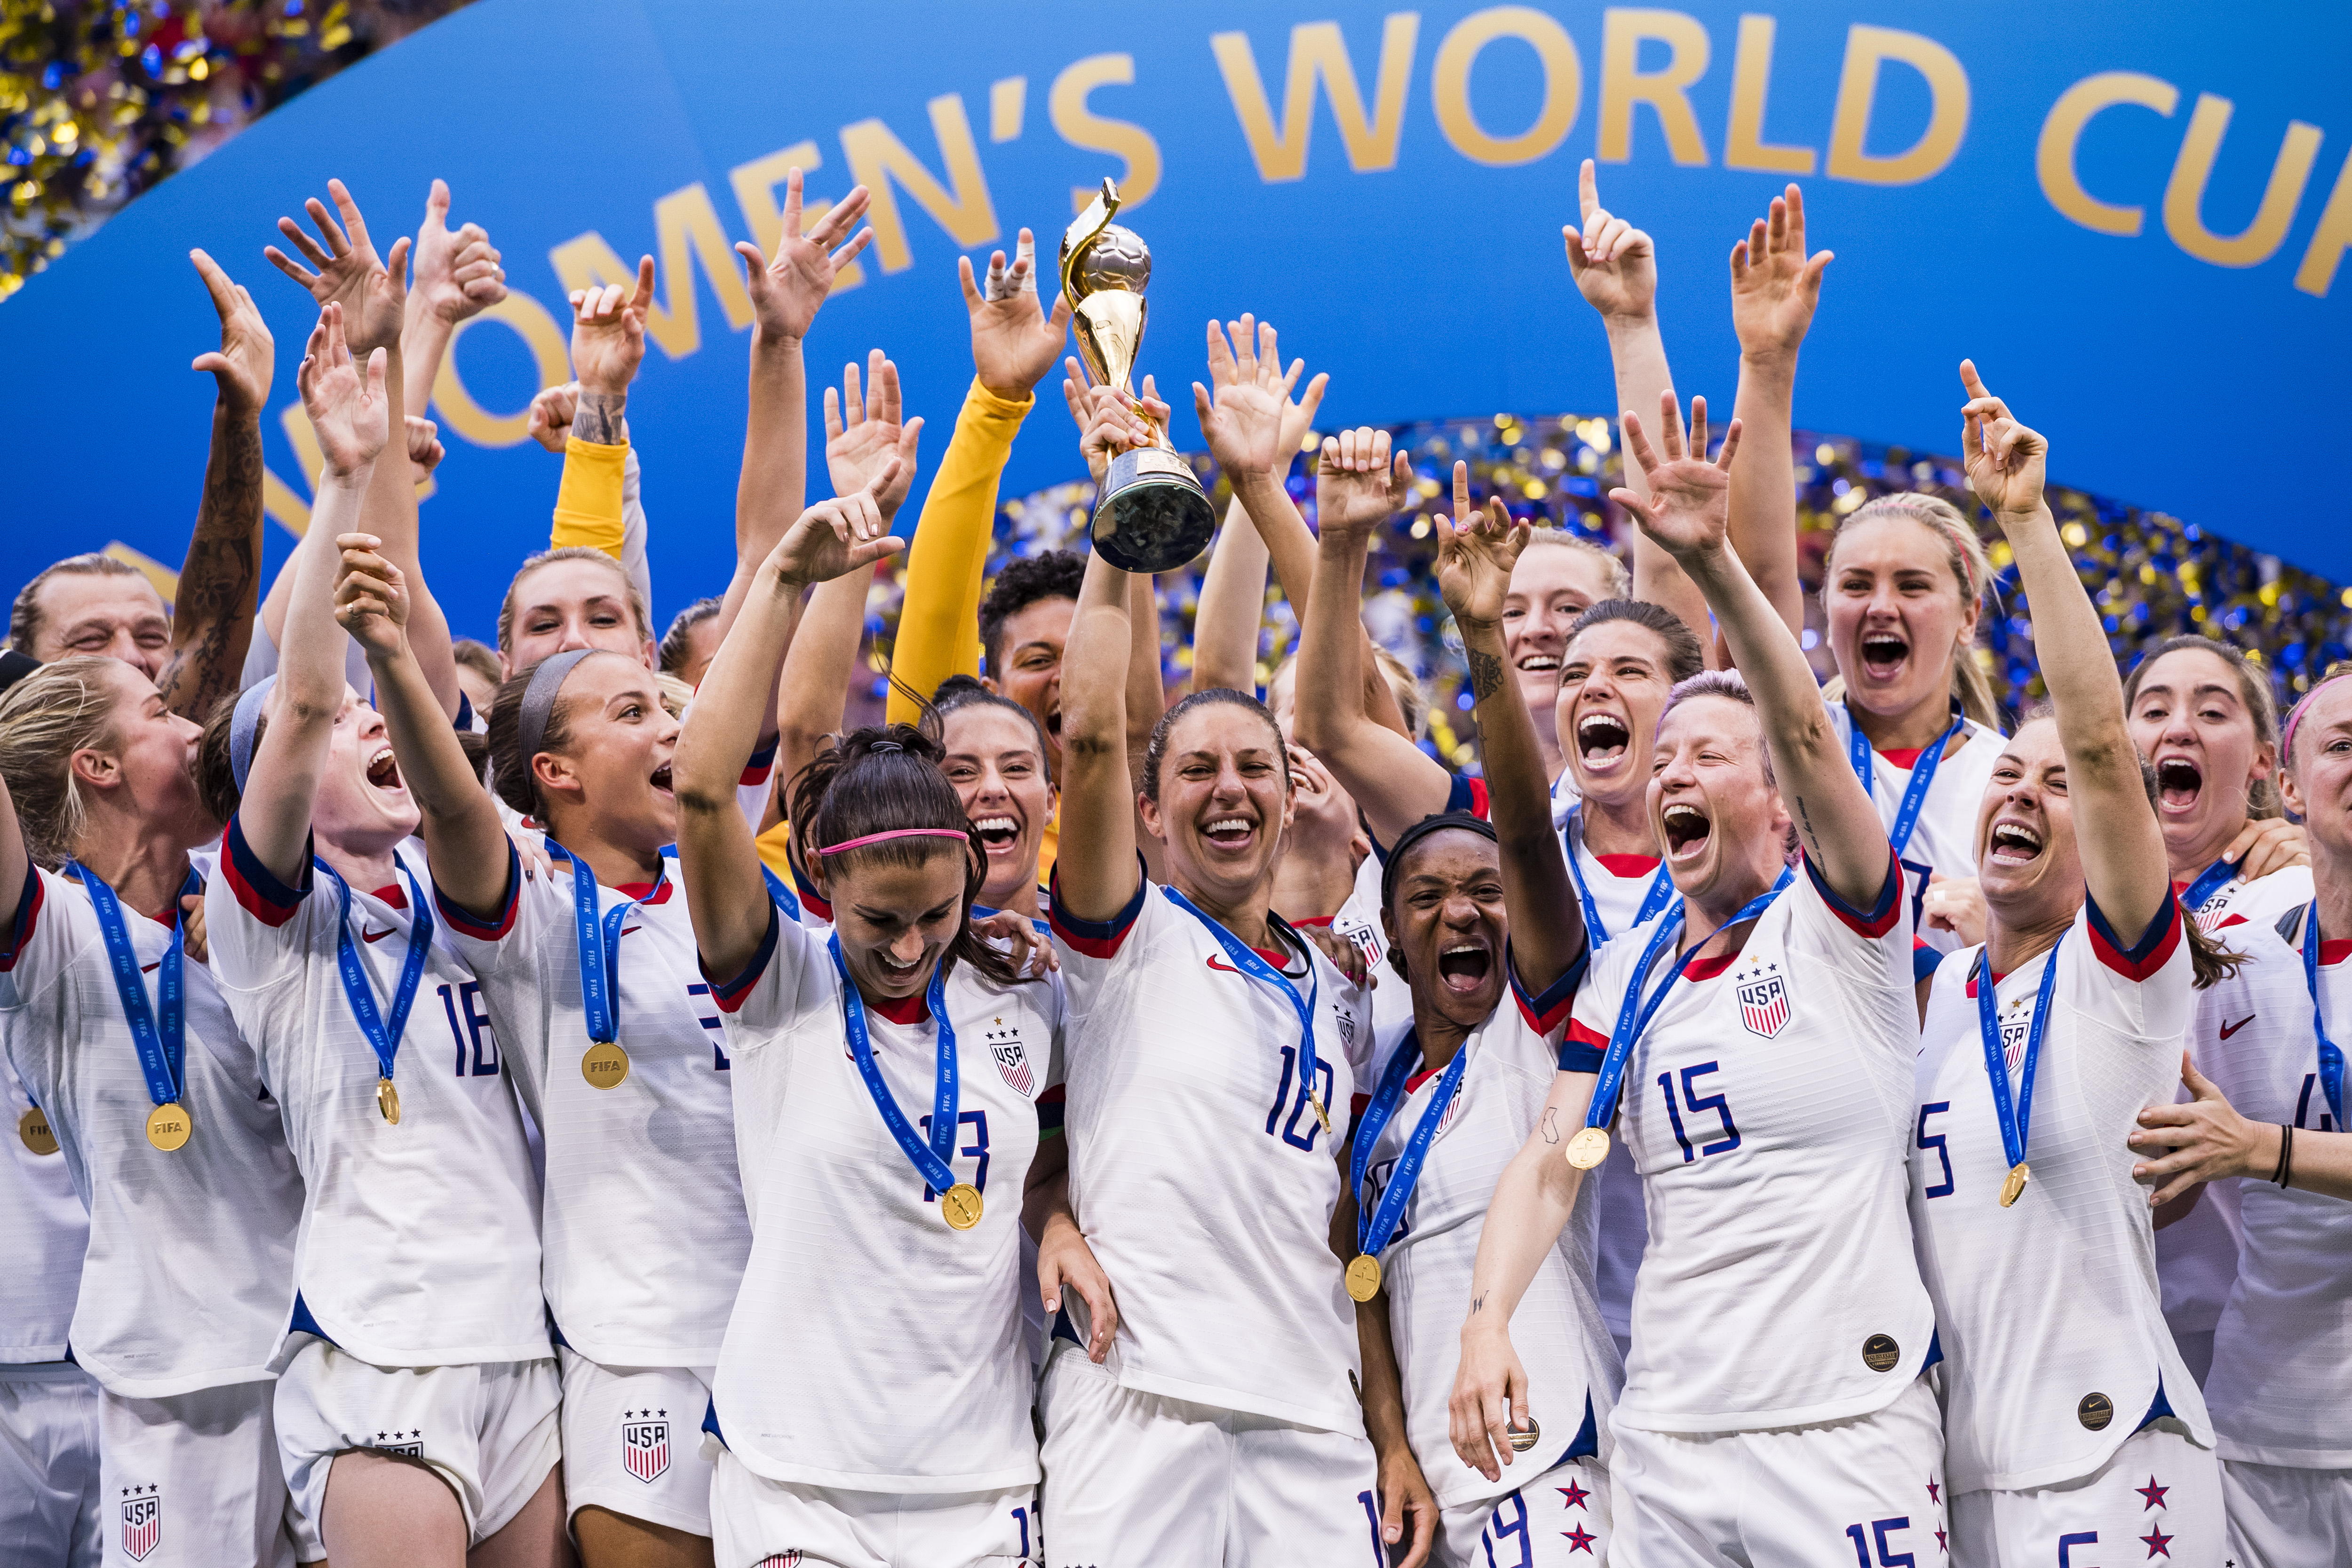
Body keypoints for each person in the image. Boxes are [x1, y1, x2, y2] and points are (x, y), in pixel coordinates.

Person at [335, 403, 858, 1566]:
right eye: (635, 712)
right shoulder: (533, 916)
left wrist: (795, 576)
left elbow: (791, 717)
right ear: (558, 773)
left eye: (671, 704)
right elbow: (458, 806)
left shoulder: (738, 898)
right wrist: (385, 656)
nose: (673, 722)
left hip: (806, 1333)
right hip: (641, 1351)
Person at [1456, 389, 1945, 1565]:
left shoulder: (1846, 928)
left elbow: (1811, 730)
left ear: (1779, 800)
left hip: (1843, 1431)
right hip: (1669, 1433)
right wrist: (1486, 1324)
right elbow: (1555, 1159)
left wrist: (1716, 563)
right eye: (1661, 754)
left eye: (1707, 753)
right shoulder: (1625, 978)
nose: (1672, 770)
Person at [669, 460, 1107, 1568]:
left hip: (984, 1479)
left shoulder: (1023, 993)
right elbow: (705, 786)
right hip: (797, 1476)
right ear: (826, 889)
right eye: (879, 924)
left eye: (933, 917)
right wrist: (782, 581)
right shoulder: (778, 985)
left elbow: (1045, 1162)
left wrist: (1052, 1220)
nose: (908, 949)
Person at [202, 305, 560, 1566]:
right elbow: (308, 692)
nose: (373, 727)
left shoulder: (476, 893)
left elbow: (401, 647)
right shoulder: (267, 925)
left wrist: (419, 345)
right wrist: (345, 475)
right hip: (378, 1349)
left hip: (526, 1341)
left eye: (383, 722)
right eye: (350, 737)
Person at [1038, 408, 1381, 1563]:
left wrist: (1382, 1427)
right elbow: (1093, 728)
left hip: (1312, 1416)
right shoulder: (1120, 939)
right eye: (1196, 770)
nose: (1229, 790)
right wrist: (1119, 523)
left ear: (1294, 797)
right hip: (1139, 1404)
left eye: (1255, 768)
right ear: (1149, 811)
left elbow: (1344, 1230)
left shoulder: (1340, 991)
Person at [1907, 364, 2226, 1563]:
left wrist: (2025, 525)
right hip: (1967, 1471)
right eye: (2009, 775)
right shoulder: (1936, 1001)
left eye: (2060, 788)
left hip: (2113, 1461)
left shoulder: (2125, 974)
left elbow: (2099, 737)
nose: (2031, 793)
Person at [1343, 432, 1616, 1568]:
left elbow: (1517, 823)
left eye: (1483, 895)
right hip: (1430, 1482)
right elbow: (1366, 1278)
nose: (1461, 916)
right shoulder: (1383, 1084)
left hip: (1546, 1450)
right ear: (1388, 930)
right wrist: (1392, 1444)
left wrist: (1482, 642)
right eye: (1427, 899)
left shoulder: (1533, 1026)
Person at [0, 680, 303, 1561]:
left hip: (323, 1348)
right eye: (164, 712)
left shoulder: (265, 916)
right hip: (181, 1373)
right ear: (96, 766)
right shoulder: (54, 937)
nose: (197, 727)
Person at [2126, 665, 2352, 1566]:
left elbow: (2239, 1146)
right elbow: (2172, 1165)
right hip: (2261, 1427)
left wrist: (2257, 1147)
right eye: (2342, 746)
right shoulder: (2239, 960)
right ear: (2288, 785)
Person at [2122, 635, 2309, 1385]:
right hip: (2109, 1321)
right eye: (2154, 708)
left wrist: (2323, 853)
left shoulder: (2293, 900)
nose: (2178, 728)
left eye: (2212, 710)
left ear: (2265, 760)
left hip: (2257, 1335)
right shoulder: (2070, 920)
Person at [9, 247, 276, 723]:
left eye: (154, 637)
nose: (132, 658)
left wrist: (240, 420)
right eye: (91, 640)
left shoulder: (182, 760)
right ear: (20, 667)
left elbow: (211, 624)